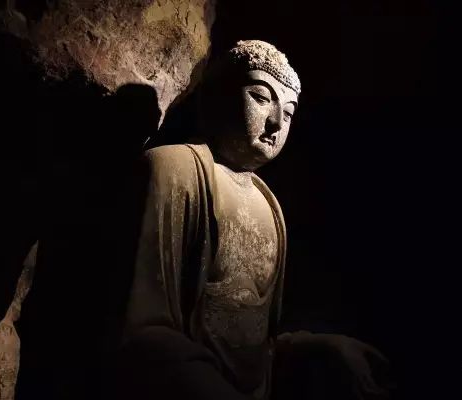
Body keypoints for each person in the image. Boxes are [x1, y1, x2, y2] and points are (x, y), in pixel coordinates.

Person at [117, 40, 391, 400]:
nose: (276, 122)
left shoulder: (269, 205)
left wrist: (318, 346)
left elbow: (258, 346)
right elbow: (144, 331)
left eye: (288, 113)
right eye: (261, 97)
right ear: (217, 98)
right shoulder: (174, 168)